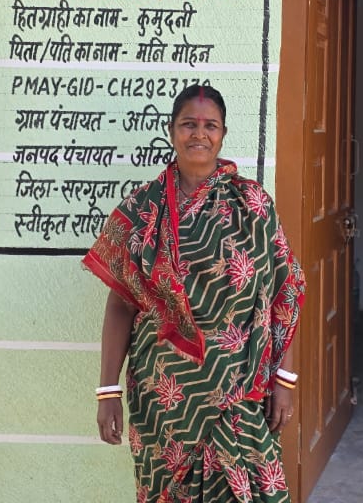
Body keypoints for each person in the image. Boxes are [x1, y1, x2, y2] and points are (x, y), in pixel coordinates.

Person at [84, 84, 305, 503]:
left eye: (210, 125)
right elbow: (121, 305)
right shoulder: (143, 210)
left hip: (239, 390)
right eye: (188, 124)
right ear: (171, 131)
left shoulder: (253, 204)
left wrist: (285, 379)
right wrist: (107, 391)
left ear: (223, 134)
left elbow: (283, 293)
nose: (199, 134)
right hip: (165, 397)